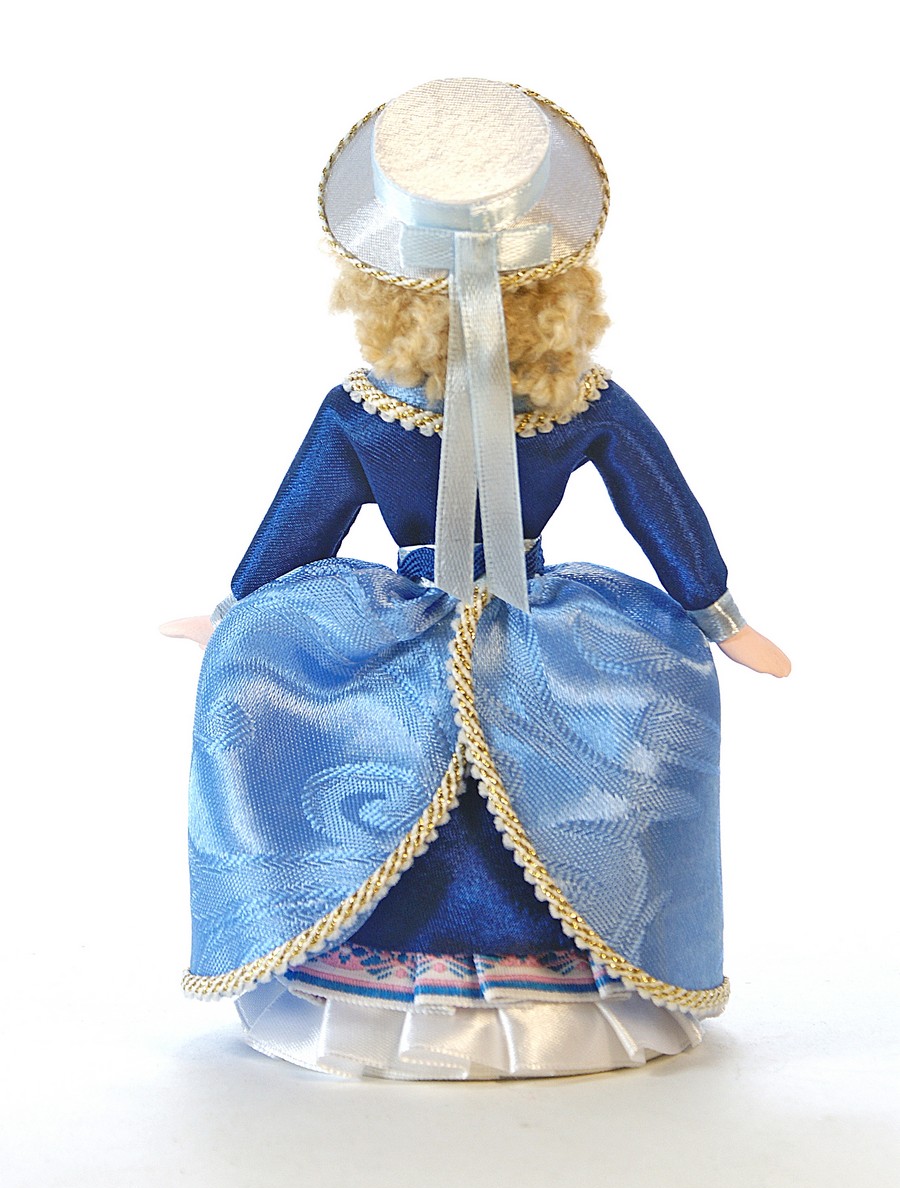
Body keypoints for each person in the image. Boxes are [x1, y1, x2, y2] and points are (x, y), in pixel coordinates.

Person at [163, 79, 789, 1080]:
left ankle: (553, 961)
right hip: (474, 614)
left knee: (607, 724)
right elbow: (301, 524)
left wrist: (717, 614)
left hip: (521, 607)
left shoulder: (564, 404)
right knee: (315, 705)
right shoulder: (376, 409)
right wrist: (237, 613)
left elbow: (656, 499)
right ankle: (394, 957)